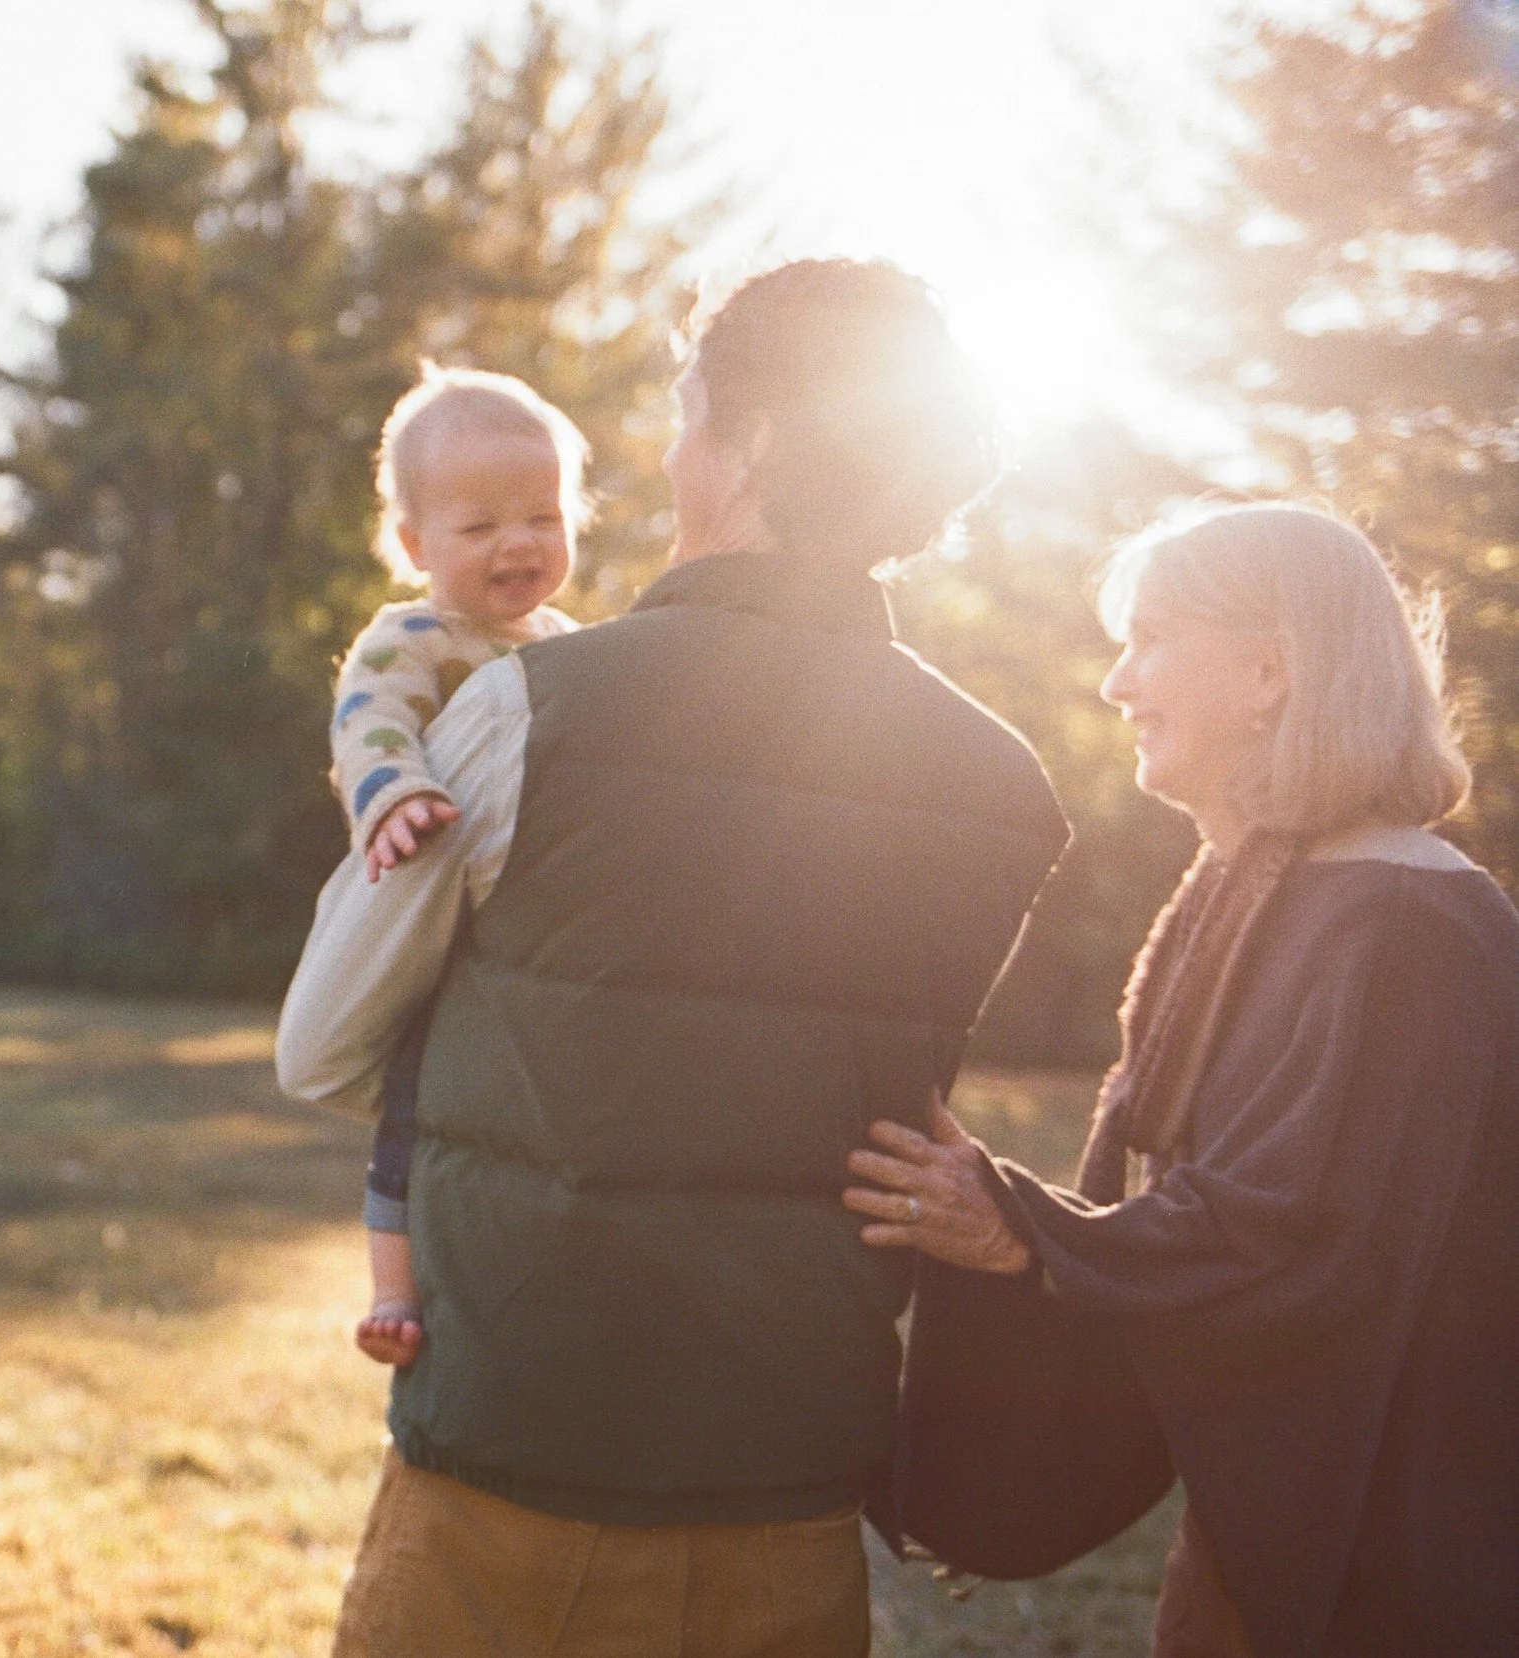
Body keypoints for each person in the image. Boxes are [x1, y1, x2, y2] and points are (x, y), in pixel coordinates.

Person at [277, 259, 1070, 1658]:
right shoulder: (1001, 788)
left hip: (527, 1458)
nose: (665, 447)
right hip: (792, 1478)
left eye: (689, 413)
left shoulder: (532, 701)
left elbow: (323, 1042)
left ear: (753, 439)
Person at [844, 503, 1519, 1658]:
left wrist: (1025, 1232)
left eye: (1149, 639)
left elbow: (1304, 1236)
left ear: (1270, 668)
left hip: (1400, 1542)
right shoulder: (1243, 883)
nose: (1115, 684)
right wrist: (1033, 1237)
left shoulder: (1412, 923)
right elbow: (1138, 1186)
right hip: (1258, 1527)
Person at [332, 364, 586, 1368]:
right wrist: (391, 796)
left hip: (520, 931)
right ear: (415, 545)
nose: (518, 543)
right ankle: (393, 1291)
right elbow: (369, 725)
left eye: (542, 515)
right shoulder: (412, 637)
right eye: (480, 527)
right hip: (421, 904)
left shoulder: (572, 647)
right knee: (414, 1099)